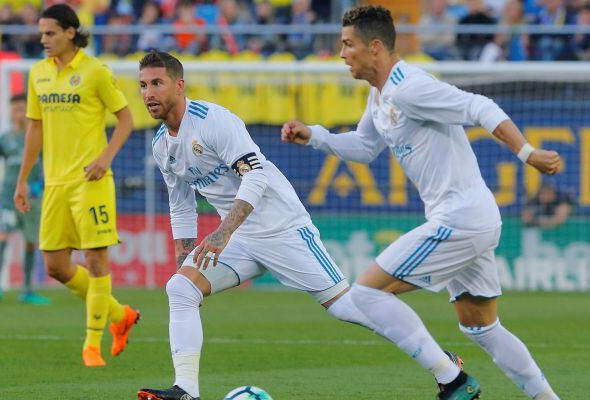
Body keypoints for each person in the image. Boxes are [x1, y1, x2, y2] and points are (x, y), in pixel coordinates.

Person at [281, 6, 562, 400]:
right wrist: (314, 136)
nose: (341, 53)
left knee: (366, 293)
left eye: (348, 45)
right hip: (473, 218)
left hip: (460, 217)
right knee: (481, 328)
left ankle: (452, 379)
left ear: (375, 46)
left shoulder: (411, 86)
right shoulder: (380, 94)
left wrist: (526, 152)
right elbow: (364, 147)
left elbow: (480, 106)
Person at [135, 50, 428, 400]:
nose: (149, 93)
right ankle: (186, 390)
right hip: (240, 239)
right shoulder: (161, 145)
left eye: (157, 83)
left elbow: (255, 175)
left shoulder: (213, 121)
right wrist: (185, 260)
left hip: (281, 227)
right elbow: (181, 203)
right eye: (142, 86)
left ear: (179, 85)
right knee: (181, 288)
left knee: (346, 307)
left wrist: (223, 231)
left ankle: (441, 362)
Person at [14, 3, 139, 367]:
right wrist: (23, 180)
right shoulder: (38, 73)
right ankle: (120, 314)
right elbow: (34, 129)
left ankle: (91, 344)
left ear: (71, 32)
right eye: (41, 34)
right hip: (54, 182)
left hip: (91, 180)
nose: (44, 40)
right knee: (55, 266)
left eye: (50, 33)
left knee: (96, 259)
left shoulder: (95, 71)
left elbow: (126, 119)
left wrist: (106, 157)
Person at [0, 93, 50, 306]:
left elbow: (52, 164)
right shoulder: (0, 137)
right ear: (10, 111)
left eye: (22, 107)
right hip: (8, 197)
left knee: (30, 242)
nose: (18, 112)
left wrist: (41, 184)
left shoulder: (40, 136)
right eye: (15, 108)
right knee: (2, 236)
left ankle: (27, 289)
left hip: (32, 198)